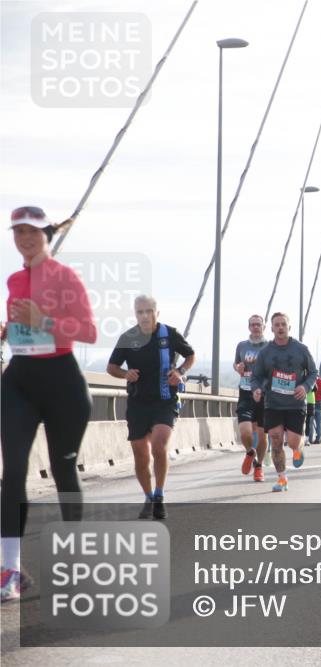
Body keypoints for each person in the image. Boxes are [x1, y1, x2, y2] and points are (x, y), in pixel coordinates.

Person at [1, 207, 96, 603]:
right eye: (17, 231)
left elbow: (88, 331)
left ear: (46, 235)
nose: (24, 238)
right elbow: (22, 334)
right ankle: (10, 570)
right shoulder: (14, 279)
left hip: (63, 384)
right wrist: (9, 331)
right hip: (19, 381)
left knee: (62, 470)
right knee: (14, 472)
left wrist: (45, 321)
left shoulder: (65, 277)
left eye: (32, 232)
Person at [108, 295, 195, 520]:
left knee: (159, 445)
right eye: (140, 312)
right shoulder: (128, 337)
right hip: (138, 402)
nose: (145, 316)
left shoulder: (169, 334)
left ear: (157, 312)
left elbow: (190, 355)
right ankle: (148, 496)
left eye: (148, 311)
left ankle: (159, 495)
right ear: (135, 314)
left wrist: (180, 372)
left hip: (164, 400)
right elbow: (112, 367)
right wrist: (125, 374)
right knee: (141, 456)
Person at [250, 312, 317, 492]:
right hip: (273, 403)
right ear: (271, 328)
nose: (280, 327)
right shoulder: (266, 352)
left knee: (294, 441)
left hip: (295, 403)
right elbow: (256, 376)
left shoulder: (301, 349)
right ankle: (282, 479)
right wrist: (256, 389)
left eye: (283, 324)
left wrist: (305, 387)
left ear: (289, 327)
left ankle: (298, 449)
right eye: (277, 325)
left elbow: (313, 372)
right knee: (276, 439)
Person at [234, 315, 269, 482]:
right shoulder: (242, 345)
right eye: (253, 325)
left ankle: (259, 466)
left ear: (264, 327)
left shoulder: (270, 346)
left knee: (262, 435)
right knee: (245, 431)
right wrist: (238, 367)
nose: (256, 327)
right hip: (245, 392)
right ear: (249, 327)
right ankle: (250, 452)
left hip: (263, 394)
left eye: (258, 325)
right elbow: (236, 364)